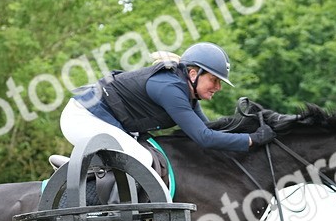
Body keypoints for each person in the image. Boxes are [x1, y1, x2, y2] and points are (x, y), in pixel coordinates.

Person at [62, 43, 275, 172]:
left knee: (151, 154)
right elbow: (204, 138)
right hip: (83, 117)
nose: (218, 87)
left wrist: (248, 131)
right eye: (214, 80)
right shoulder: (171, 89)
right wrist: (250, 140)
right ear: (194, 74)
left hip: (105, 120)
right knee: (143, 159)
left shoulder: (186, 92)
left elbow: (208, 128)